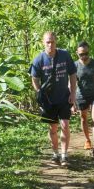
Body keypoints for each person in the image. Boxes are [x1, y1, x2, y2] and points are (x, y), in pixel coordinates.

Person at [30, 32, 77, 167]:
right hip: (49, 100)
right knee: (53, 128)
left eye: (52, 42)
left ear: (56, 42)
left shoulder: (64, 55)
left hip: (63, 97)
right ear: (43, 43)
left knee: (65, 125)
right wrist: (40, 94)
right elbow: (34, 79)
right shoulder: (38, 60)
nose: (50, 45)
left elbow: (72, 74)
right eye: (47, 42)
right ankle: (55, 153)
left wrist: (73, 93)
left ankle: (64, 155)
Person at [74, 41, 94, 157]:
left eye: (86, 53)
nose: (84, 56)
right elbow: (71, 83)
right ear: (77, 53)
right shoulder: (75, 66)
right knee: (83, 119)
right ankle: (87, 140)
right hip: (81, 95)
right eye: (81, 54)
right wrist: (72, 101)